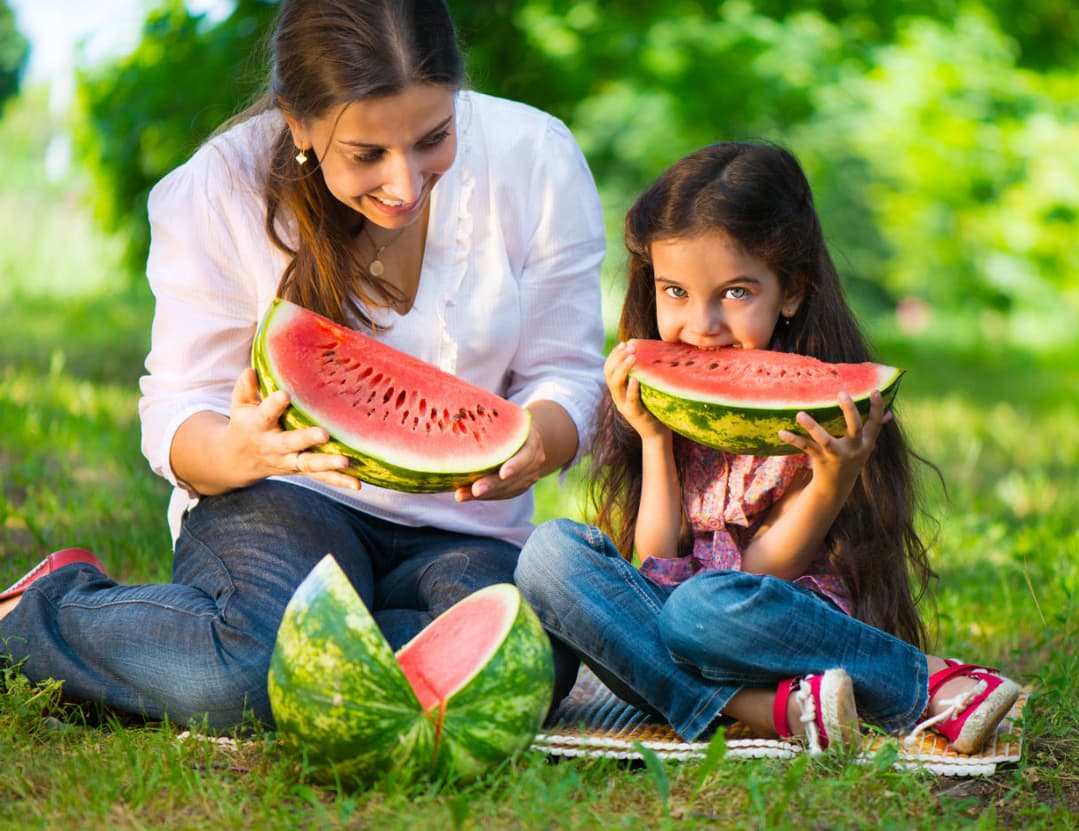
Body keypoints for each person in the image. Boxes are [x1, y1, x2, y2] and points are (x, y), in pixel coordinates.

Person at [0, 0, 605, 731]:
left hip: (467, 526)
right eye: (367, 155)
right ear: (300, 124)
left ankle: (328, 638)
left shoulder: (535, 158)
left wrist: (540, 435)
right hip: (281, 498)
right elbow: (175, 411)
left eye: (433, 138)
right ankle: (45, 613)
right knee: (253, 677)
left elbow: (568, 374)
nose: (407, 184)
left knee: (524, 665)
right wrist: (236, 448)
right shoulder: (217, 190)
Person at [514, 141, 1019, 755]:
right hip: (676, 638)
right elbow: (656, 563)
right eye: (674, 292)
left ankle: (928, 683)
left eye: (734, 293)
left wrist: (832, 483)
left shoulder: (816, 418)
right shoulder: (671, 409)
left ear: (791, 292)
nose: (701, 325)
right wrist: (653, 438)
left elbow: (762, 576)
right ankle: (768, 713)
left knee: (703, 609)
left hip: (770, 631)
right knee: (548, 553)